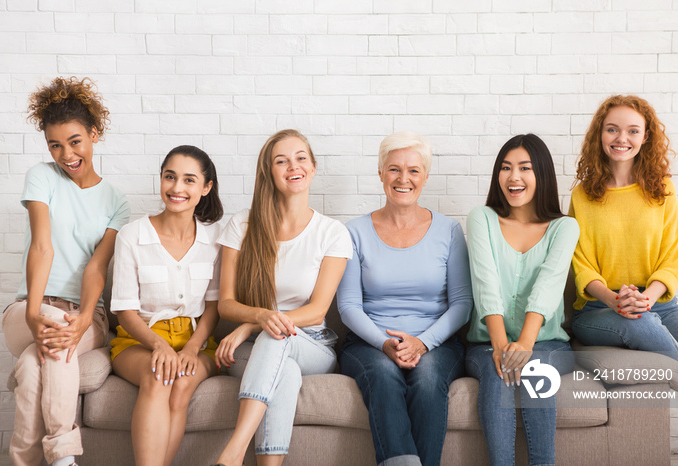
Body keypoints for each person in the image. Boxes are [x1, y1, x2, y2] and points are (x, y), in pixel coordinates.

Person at [1, 77, 130, 466]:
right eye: (55, 145)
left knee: (32, 366)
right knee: (53, 333)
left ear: (94, 134)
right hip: (28, 309)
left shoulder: (115, 201)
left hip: (85, 314)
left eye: (75, 141)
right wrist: (33, 310)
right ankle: (62, 458)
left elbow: (97, 266)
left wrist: (86, 316)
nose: (66, 154)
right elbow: (42, 245)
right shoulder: (42, 177)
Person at [212, 129, 353, 466]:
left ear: (313, 167)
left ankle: (233, 453)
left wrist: (252, 325)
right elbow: (226, 304)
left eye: (301, 158)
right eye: (282, 160)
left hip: (313, 345)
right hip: (257, 352)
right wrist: (259, 319)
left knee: (278, 337)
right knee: (284, 370)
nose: (294, 166)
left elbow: (318, 309)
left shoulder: (332, 233)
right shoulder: (242, 225)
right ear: (269, 172)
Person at [336, 131, 472, 466]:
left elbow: (462, 304)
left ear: (425, 177)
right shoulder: (353, 232)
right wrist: (385, 343)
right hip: (369, 343)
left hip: (437, 343)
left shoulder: (449, 230)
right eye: (394, 169)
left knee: (427, 381)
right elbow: (348, 306)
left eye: (413, 170)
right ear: (380, 173)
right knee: (383, 376)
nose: (403, 178)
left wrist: (422, 343)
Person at [465, 134, 579, 466]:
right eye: (505, 168)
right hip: (486, 343)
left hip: (548, 344)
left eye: (525, 168)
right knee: (498, 371)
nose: (513, 177)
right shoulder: (482, 218)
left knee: (535, 368)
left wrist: (525, 343)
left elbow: (548, 286)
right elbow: (485, 284)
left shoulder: (564, 227)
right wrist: (502, 346)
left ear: (541, 174)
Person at [110, 145, 223, 466]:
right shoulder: (132, 235)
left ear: (206, 188)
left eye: (189, 180)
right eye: (169, 177)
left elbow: (214, 307)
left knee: (182, 383)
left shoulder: (215, 240)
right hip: (139, 340)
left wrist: (191, 349)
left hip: (196, 342)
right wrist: (158, 345)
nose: (176, 188)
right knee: (160, 375)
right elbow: (125, 311)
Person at [569, 95, 678, 370]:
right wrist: (615, 301)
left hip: (659, 303)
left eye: (632, 131)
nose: (621, 138)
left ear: (646, 136)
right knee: (642, 323)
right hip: (598, 309)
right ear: (600, 134)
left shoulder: (663, 189)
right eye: (612, 129)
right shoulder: (582, 195)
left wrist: (646, 299)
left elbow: (671, 260)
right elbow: (581, 265)